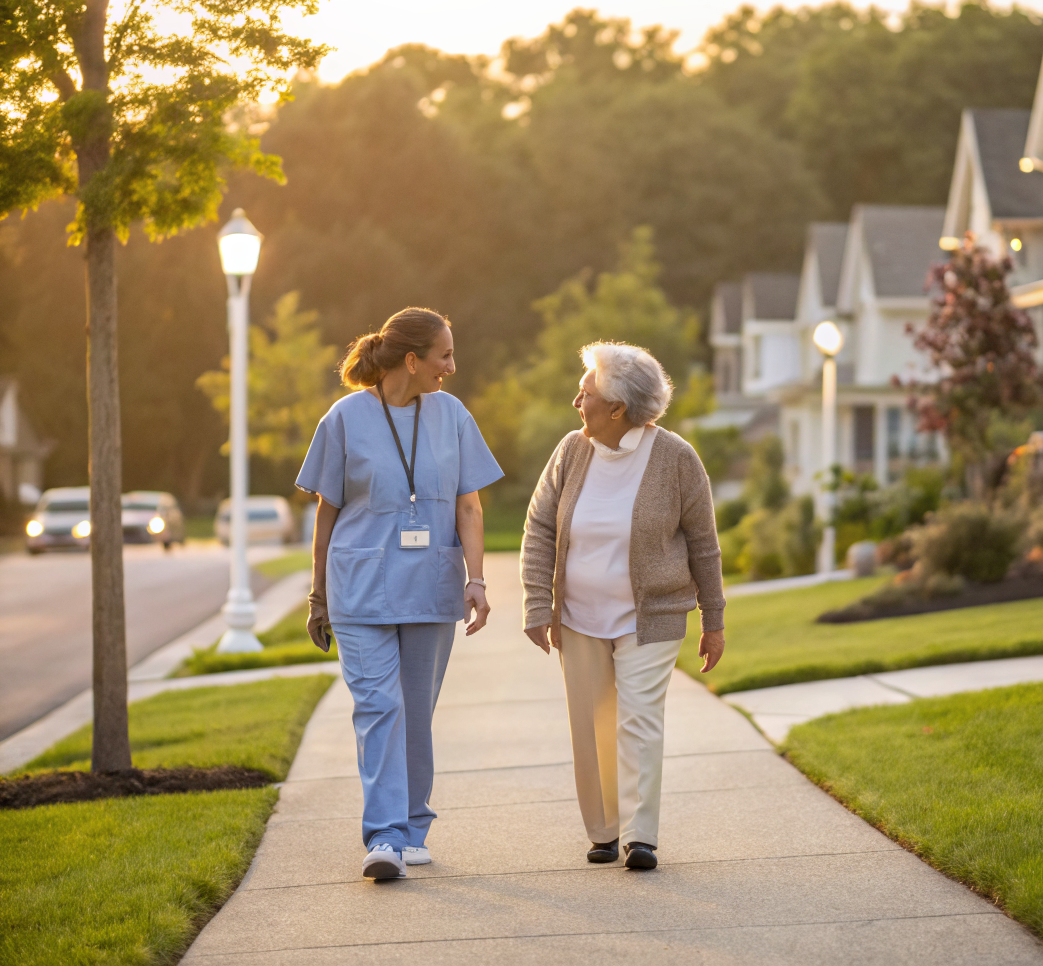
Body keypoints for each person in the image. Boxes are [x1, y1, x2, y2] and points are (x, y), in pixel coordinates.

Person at [298, 307, 503, 880]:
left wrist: (477, 579)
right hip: (359, 588)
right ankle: (385, 836)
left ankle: (413, 827)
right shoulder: (344, 418)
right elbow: (327, 512)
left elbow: (468, 506)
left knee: (415, 711)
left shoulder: (453, 415)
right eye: (445, 356)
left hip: (429, 586)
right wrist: (318, 595)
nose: (451, 367)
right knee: (378, 708)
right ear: (411, 360)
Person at [521, 342, 725, 871]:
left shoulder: (676, 457)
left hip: (651, 616)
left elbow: (703, 544)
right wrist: (537, 604)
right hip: (578, 616)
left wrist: (713, 619)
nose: (576, 402)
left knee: (639, 721)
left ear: (617, 408)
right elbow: (540, 527)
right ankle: (604, 832)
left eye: (585, 394)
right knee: (592, 725)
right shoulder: (571, 451)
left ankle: (640, 836)